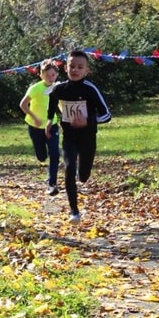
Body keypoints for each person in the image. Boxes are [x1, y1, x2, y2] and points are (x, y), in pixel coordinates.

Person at [46, 49, 111, 224]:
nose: (75, 70)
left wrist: (88, 122)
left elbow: (107, 114)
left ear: (86, 71)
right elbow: (52, 103)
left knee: (83, 175)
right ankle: (74, 211)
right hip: (69, 138)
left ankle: (81, 176)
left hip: (88, 138)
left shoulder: (90, 89)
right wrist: (49, 121)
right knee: (68, 169)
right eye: (71, 66)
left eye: (79, 67)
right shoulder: (59, 89)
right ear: (65, 68)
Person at [19, 59, 61, 196]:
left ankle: (52, 183)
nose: (50, 78)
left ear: (57, 76)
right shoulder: (35, 88)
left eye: (53, 75)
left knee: (55, 153)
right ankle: (41, 156)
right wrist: (34, 118)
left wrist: (66, 116)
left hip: (52, 125)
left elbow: (60, 104)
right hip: (35, 126)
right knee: (42, 156)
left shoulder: (57, 88)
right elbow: (23, 105)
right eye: (47, 75)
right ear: (41, 75)